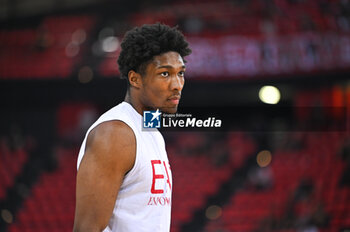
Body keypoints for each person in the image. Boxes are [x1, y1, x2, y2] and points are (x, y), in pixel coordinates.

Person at [73, 23, 191, 232]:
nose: (177, 85)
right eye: (165, 74)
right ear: (135, 79)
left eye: (180, 73)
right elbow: (86, 229)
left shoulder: (151, 130)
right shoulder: (115, 133)